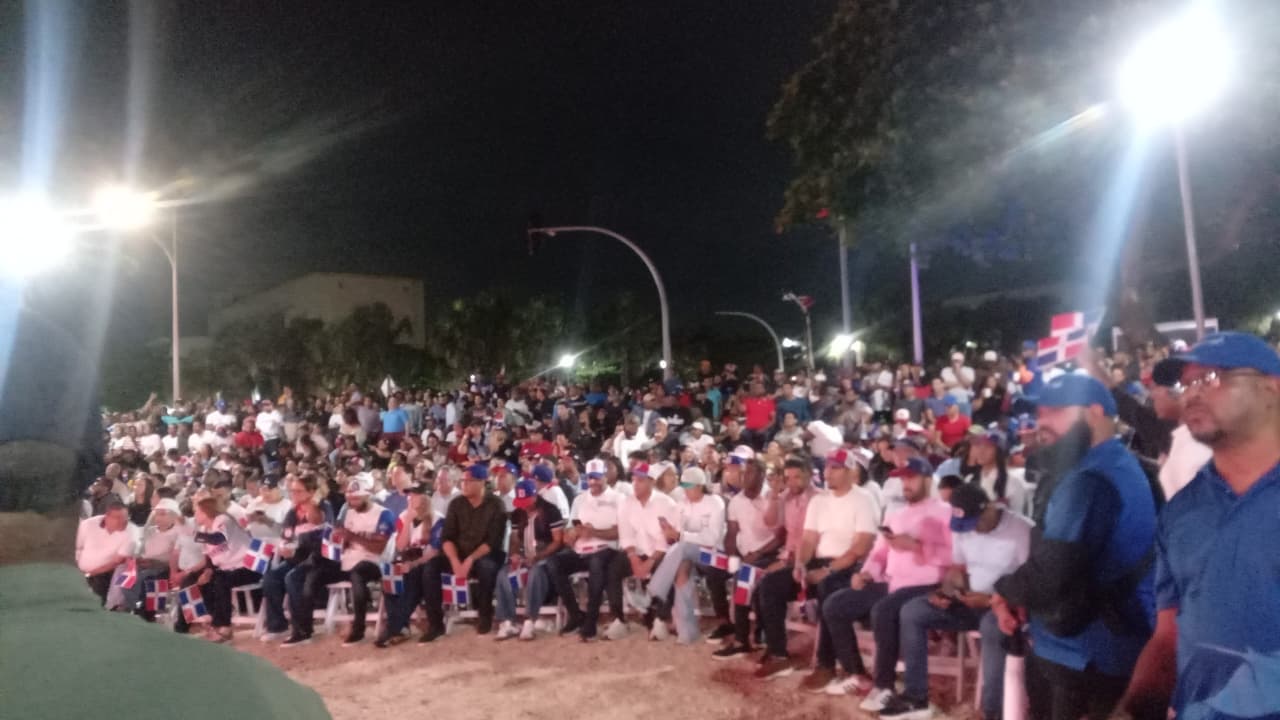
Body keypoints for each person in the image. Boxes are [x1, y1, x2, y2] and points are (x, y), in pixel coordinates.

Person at [1120, 333, 1280, 720]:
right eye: (1186, 384)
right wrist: (1131, 711)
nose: (1190, 394)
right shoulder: (1181, 511)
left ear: (1271, 387)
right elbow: (1169, 636)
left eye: (1211, 379)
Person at [992, 374, 1157, 720]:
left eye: (1054, 410)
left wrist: (1003, 591)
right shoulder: (1115, 464)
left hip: (1092, 653)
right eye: (1039, 413)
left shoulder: (1089, 480)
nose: (1042, 422)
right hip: (1096, 647)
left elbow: (1051, 574)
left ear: (1094, 412)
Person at [819, 457, 952, 707]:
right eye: (902, 479)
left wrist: (917, 547)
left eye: (911, 478)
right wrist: (867, 573)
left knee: (885, 608)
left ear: (926, 479)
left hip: (927, 585)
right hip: (892, 584)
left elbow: (957, 557)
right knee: (835, 604)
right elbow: (880, 552)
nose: (905, 484)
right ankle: (857, 673)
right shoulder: (897, 514)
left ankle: (885, 685)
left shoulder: (944, 512)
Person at [891, 482, 1031, 720]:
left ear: (988, 508)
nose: (971, 530)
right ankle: (916, 698)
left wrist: (991, 601)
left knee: (991, 627)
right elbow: (957, 568)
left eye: (975, 523)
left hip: (1005, 609)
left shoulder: (1021, 529)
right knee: (912, 611)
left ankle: (993, 713)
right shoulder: (962, 529)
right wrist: (948, 592)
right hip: (969, 601)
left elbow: (1031, 583)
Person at [785, 448, 879, 685]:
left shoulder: (864, 500)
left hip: (850, 566)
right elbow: (808, 539)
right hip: (820, 560)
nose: (829, 473)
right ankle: (777, 652)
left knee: (828, 588)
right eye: (827, 467)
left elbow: (861, 547)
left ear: (850, 471)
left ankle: (827, 664)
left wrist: (828, 570)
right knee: (772, 583)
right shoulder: (819, 500)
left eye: (835, 468)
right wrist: (800, 564)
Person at [717, 457, 793, 662]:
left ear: (761, 476)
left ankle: (743, 640)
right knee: (718, 567)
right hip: (747, 557)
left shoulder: (773, 497)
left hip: (772, 555)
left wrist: (756, 555)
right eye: (744, 472)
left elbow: (782, 536)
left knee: (745, 576)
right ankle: (741, 632)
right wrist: (732, 555)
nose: (745, 476)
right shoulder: (736, 501)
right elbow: (731, 534)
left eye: (751, 472)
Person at [421, 463, 507, 641]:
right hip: (458, 554)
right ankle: (435, 624)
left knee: (486, 567)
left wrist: (468, 561)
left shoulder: (496, 505)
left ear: (482, 482)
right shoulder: (456, 504)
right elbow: (447, 538)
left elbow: (493, 542)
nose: (464, 485)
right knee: (431, 568)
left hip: (485, 553)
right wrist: (455, 561)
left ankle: (485, 615)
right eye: (462, 481)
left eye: (468, 481)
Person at [645, 465, 730, 644]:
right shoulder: (682, 505)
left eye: (688, 487)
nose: (684, 491)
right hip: (689, 555)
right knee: (681, 569)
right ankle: (687, 632)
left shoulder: (715, 503)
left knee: (682, 548)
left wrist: (679, 536)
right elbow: (677, 534)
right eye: (683, 487)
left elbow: (712, 538)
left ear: (699, 486)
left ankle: (657, 587)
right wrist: (670, 532)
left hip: (715, 555)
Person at [547, 458, 623, 642]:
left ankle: (591, 620)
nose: (593, 482)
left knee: (597, 564)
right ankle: (575, 614)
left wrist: (594, 532)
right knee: (554, 562)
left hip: (607, 549)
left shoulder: (618, 499)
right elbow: (568, 532)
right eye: (590, 478)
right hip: (581, 549)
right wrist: (572, 535)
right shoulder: (580, 499)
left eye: (597, 478)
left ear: (605, 477)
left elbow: (620, 531)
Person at [609, 462, 681, 640]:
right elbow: (625, 534)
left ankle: (660, 620)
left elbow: (666, 540)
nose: (635, 484)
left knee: (667, 569)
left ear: (651, 482)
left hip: (659, 553)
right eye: (634, 479)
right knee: (612, 569)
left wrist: (649, 562)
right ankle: (619, 619)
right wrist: (634, 559)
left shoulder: (666, 504)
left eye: (640, 480)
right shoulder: (626, 503)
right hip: (637, 552)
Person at [261, 474, 334, 644]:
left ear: (311, 492)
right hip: (298, 557)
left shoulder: (324, 507)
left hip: (319, 559)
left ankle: (302, 631)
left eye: (298, 491)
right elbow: (286, 536)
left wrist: (312, 503)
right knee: (271, 578)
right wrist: (284, 547)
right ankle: (277, 625)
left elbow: (319, 523)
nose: (293, 495)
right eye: (292, 491)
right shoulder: (293, 512)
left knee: (293, 578)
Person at [494, 479, 565, 641]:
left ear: (535, 497)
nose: (524, 506)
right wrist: (514, 555)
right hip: (526, 556)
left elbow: (557, 541)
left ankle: (529, 619)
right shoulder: (518, 514)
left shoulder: (551, 511)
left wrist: (539, 556)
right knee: (503, 574)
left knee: (536, 572)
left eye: (526, 502)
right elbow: (514, 539)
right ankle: (507, 620)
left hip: (545, 556)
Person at [330, 479, 396, 646]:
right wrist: (339, 539)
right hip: (347, 559)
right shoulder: (349, 512)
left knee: (357, 573)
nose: (352, 502)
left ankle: (358, 628)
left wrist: (352, 537)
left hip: (373, 562)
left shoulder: (383, 514)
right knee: (314, 569)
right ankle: (301, 627)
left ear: (367, 495)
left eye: (357, 498)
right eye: (350, 499)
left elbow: (378, 548)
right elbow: (345, 542)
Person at [376, 482, 442, 648]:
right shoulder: (404, 516)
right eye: (409, 495)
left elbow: (434, 552)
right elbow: (400, 546)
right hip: (407, 559)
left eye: (415, 495)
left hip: (427, 561)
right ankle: (400, 627)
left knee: (415, 579)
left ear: (425, 497)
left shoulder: (438, 519)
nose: (410, 498)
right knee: (390, 577)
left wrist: (412, 565)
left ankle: (394, 627)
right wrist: (408, 522)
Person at [187, 496, 261, 642]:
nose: (194, 515)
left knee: (221, 580)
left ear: (206, 512)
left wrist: (195, 535)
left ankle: (224, 627)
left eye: (197, 512)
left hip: (250, 566)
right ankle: (212, 621)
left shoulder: (223, 520)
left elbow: (218, 539)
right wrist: (207, 571)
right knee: (200, 581)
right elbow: (209, 557)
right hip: (228, 569)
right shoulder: (203, 529)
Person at [74, 501, 138, 604]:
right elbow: (78, 547)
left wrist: (89, 574)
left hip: (105, 573)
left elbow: (117, 561)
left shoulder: (132, 533)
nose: (123, 521)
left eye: (125, 518)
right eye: (117, 518)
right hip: (79, 569)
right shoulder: (88, 525)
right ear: (107, 517)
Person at [965, 430, 1030, 517]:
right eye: (978, 446)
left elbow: (1017, 517)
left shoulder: (1012, 482)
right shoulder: (969, 479)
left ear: (999, 452)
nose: (981, 451)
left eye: (988, 447)